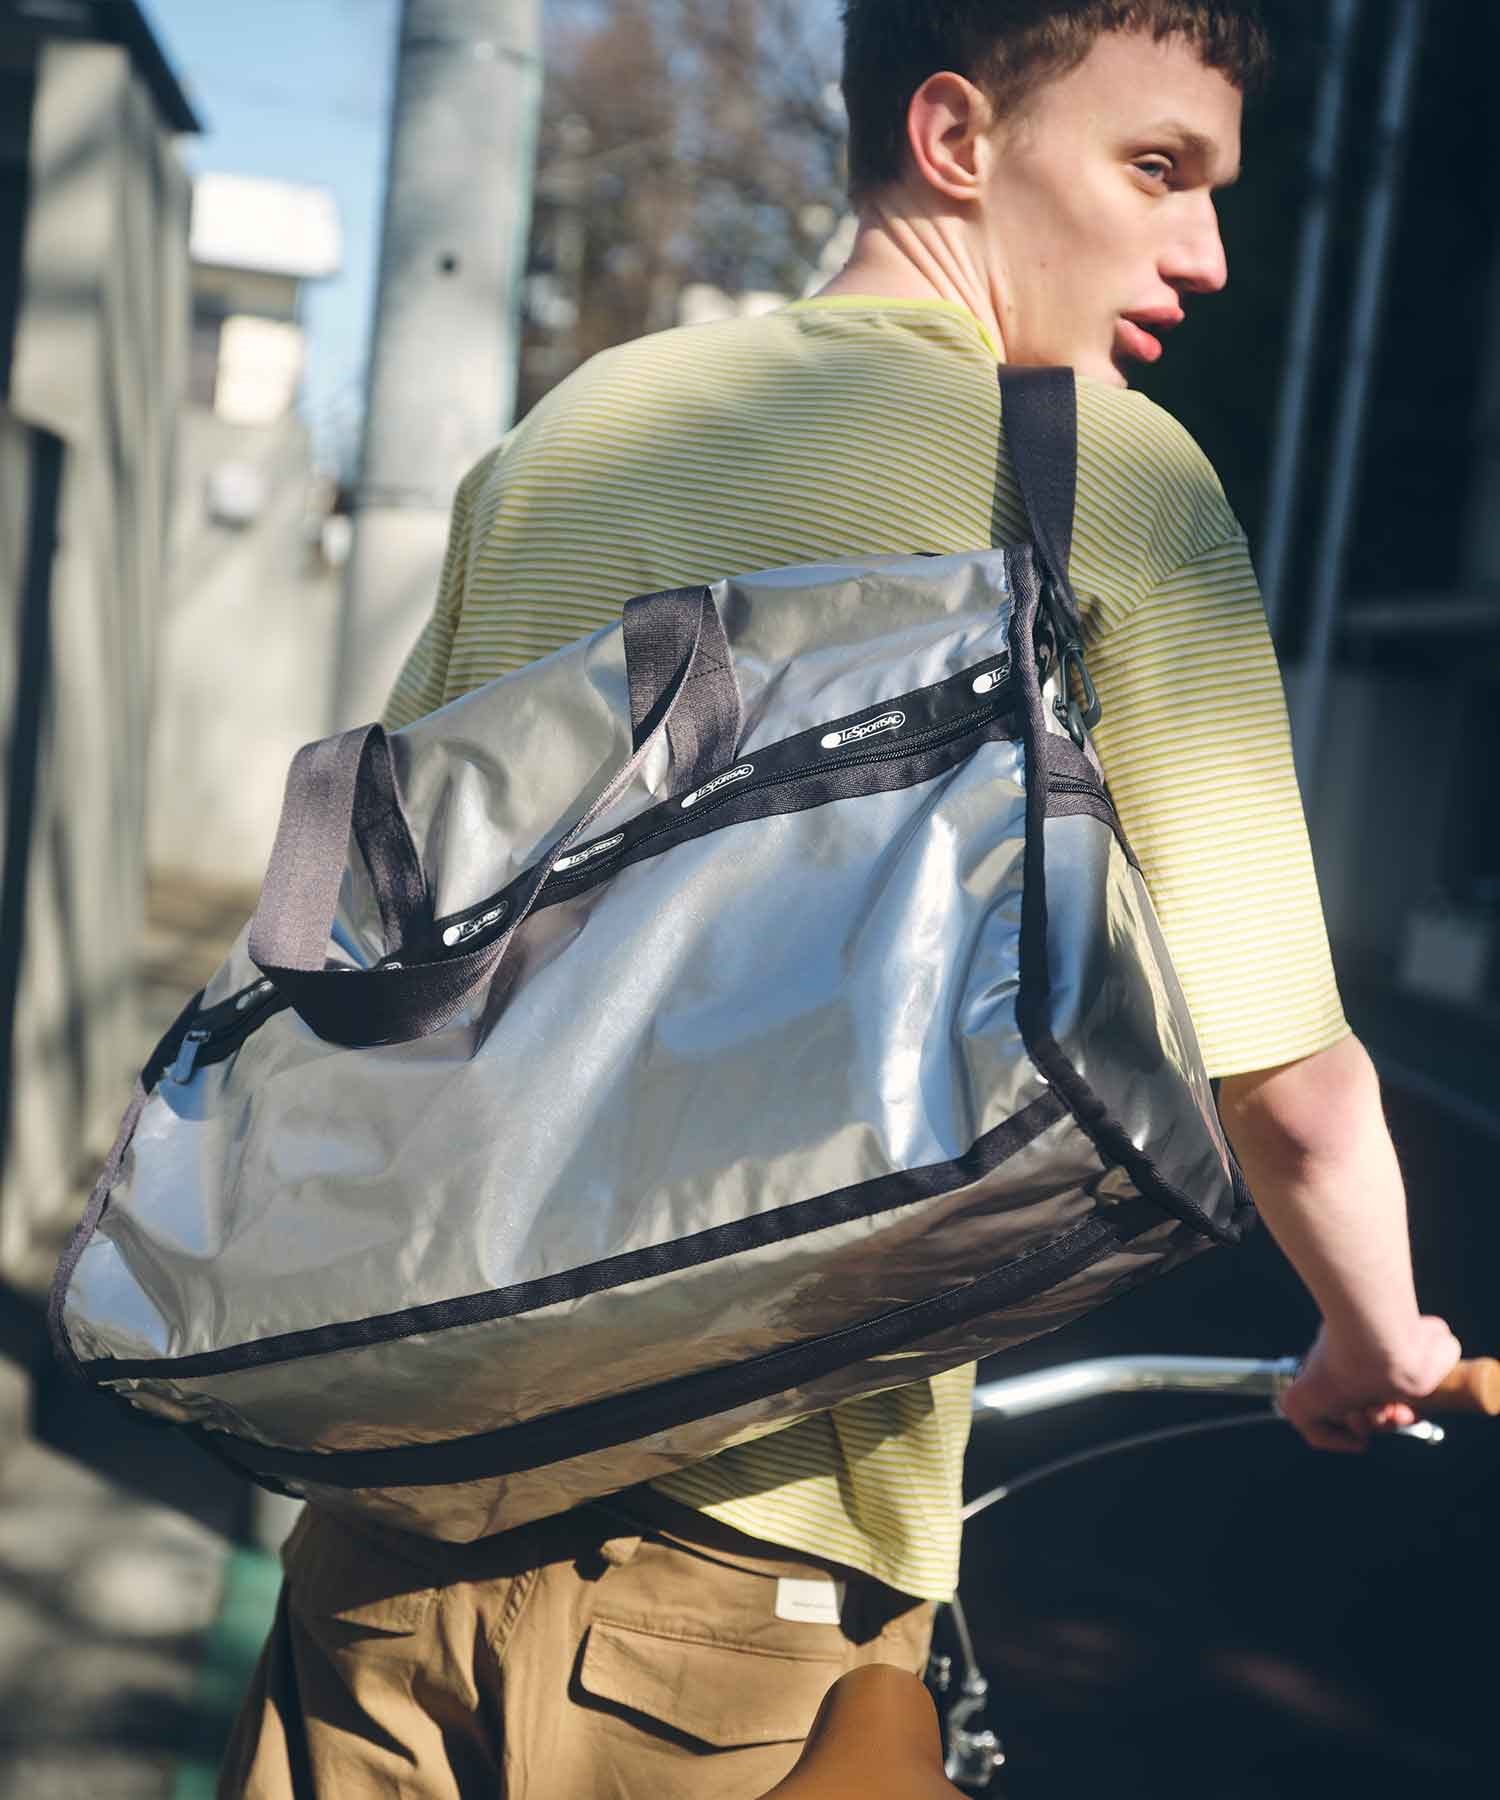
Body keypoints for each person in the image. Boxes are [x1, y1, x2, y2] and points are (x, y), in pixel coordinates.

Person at [220, 4, 1461, 1795]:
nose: (1204, 250)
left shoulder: (572, 435)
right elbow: (1289, 1087)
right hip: (731, 1607)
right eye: (1156, 168)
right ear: (956, 139)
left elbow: (381, 945)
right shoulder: (1112, 475)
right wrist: (1374, 1335)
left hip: (385, 1537)